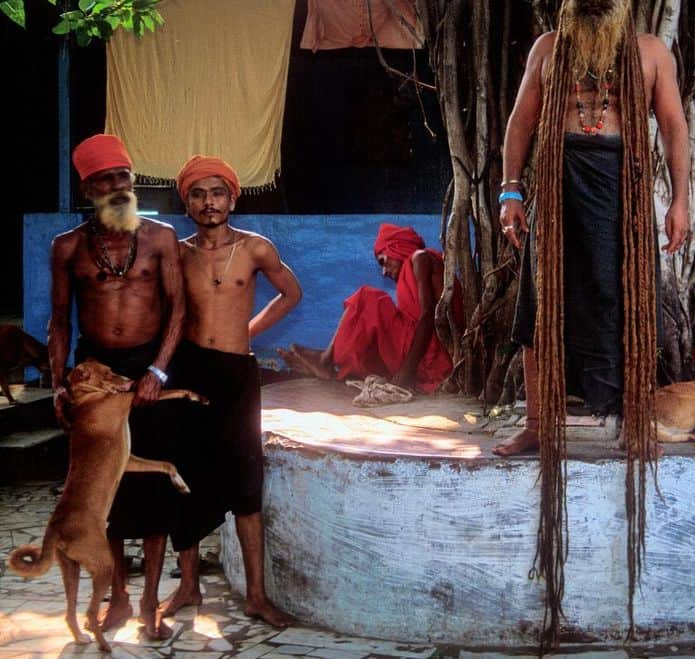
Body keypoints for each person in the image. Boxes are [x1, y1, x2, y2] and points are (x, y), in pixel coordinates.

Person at [495, 0, 690, 456]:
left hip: (620, 192)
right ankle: (539, 425)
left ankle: (635, 424)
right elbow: (521, 123)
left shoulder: (650, 52)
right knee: (541, 306)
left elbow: (673, 126)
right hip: (558, 191)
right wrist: (510, 191)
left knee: (629, 304)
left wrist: (680, 202)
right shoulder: (548, 48)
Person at [48, 133, 185, 639]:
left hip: (150, 370)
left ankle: (150, 602)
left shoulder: (161, 238)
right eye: (105, 179)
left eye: (123, 176)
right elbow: (60, 321)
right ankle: (121, 598)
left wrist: (160, 372)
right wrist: (60, 384)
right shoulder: (67, 247)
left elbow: (179, 311)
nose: (118, 186)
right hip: (96, 380)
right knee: (106, 492)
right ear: (88, 188)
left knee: (152, 487)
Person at [158, 156, 301, 627]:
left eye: (217, 192)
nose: (208, 202)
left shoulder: (257, 248)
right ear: (187, 203)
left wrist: (248, 331)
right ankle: (189, 585)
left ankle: (257, 595)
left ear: (232, 198)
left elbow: (291, 293)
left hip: (238, 374)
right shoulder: (177, 252)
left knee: (245, 481)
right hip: (190, 372)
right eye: (198, 194)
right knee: (186, 479)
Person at [277, 223, 454, 393]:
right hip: (431, 357)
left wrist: (406, 372)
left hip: (432, 360)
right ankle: (329, 364)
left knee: (367, 297)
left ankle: (325, 360)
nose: (384, 272)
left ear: (397, 248)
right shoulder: (427, 262)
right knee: (374, 321)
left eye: (383, 261)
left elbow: (429, 315)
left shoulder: (419, 258)